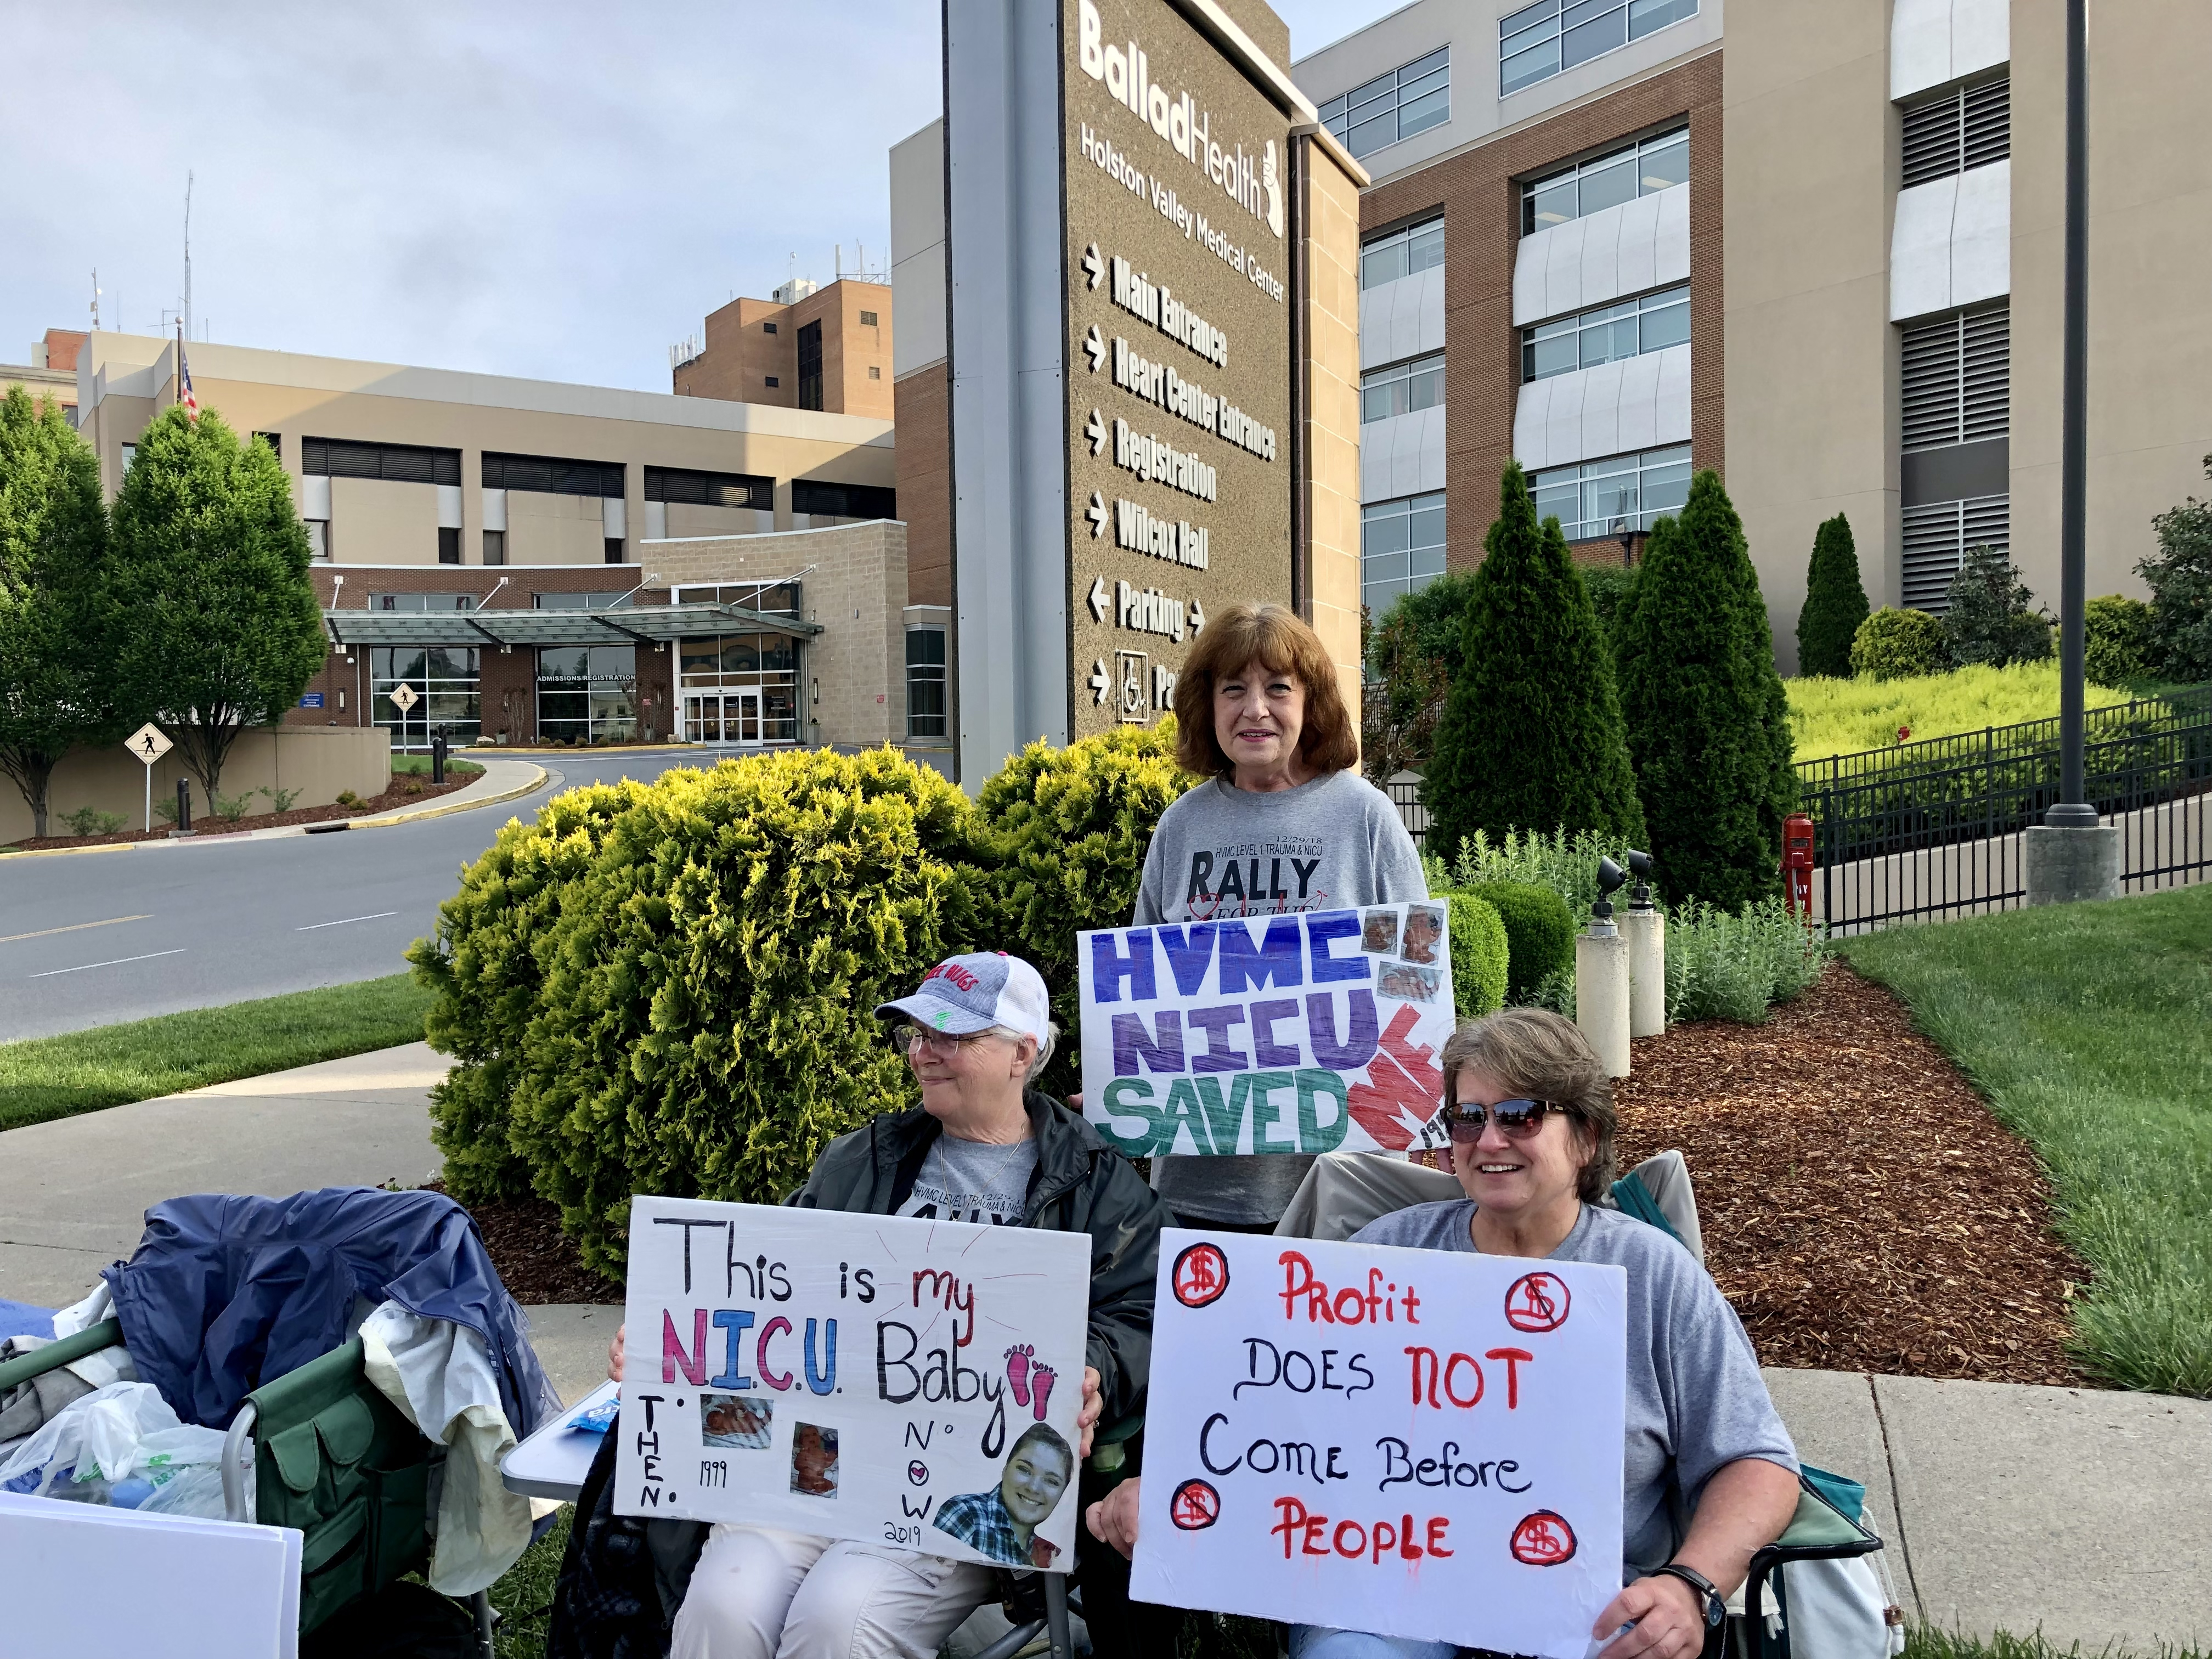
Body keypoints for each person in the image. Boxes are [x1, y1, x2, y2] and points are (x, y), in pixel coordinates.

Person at [1085, 1009, 1802, 1659]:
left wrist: (1689, 1585)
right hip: (1385, 1596)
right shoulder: (1378, 1259)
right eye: (1467, 1118)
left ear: (1585, 1137)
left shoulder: (1651, 1275)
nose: (1489, 1140)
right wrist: (1172, 1491)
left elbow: (1755, 1460)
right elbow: (1264, 1429)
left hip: (1585, 1607)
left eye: (1520, 1116)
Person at [601, 951, 1169, 1659]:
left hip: (957, 1486)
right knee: (724, 1602)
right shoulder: (860, 1161)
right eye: (916, 1033)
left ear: (1023, 1052)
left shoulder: (1097, 1185)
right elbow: (759, 1288)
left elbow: (1145, 1314)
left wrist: (1090, 1368)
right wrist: (669, 1342)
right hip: (808, 1465)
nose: (922, 1053)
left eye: (951, 1037)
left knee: (841, 1620)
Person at [1136, 601, 1428, 1231]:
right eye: (1233, 689)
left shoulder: (1364, 818)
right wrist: (1125, 1079)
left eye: (1277, 688)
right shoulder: (1181, 827)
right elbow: (1142, 994)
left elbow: (1413, 985)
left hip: (1338, 1184)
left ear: (1311, 703)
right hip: (1198, 1184)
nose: (1255, 709)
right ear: (1206, 706)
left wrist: (1406, 1117)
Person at [931, 1423, 1076, 1568]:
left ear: (1063, 1492)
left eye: (1051, 1481)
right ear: (1005, 1469)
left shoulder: (1052, 1556)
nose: (1033, 1488)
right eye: (1025, 1470)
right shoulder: (966, 1514)